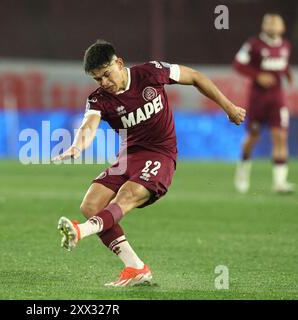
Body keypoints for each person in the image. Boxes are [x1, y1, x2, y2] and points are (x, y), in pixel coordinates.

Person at [52, 40, 246, 286]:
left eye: (107, 75)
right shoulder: (98, 99)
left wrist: (229, 108)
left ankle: (80, 232)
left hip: (160, 154)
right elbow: (89, 125)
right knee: (90, 205)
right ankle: (135, 268)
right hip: (128, 157)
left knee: (127, 195)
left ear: (119, 63)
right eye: (97, 79)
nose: (104, 83)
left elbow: (195, 77)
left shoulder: (151, 72)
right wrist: (78, 145)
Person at [233, 13, 295, 193]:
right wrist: (257, 75)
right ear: (264, 26)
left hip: (277, 99)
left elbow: (282, 65)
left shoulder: (285, 45)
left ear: (282, 27)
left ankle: (280, 183)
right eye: (270, 23)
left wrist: (288, 74)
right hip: (258, 99)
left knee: (280, 137)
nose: (273, 26)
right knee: (252, 138)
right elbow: (238, 64)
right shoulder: (254, 44)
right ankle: (243, 171)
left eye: (277, 23)